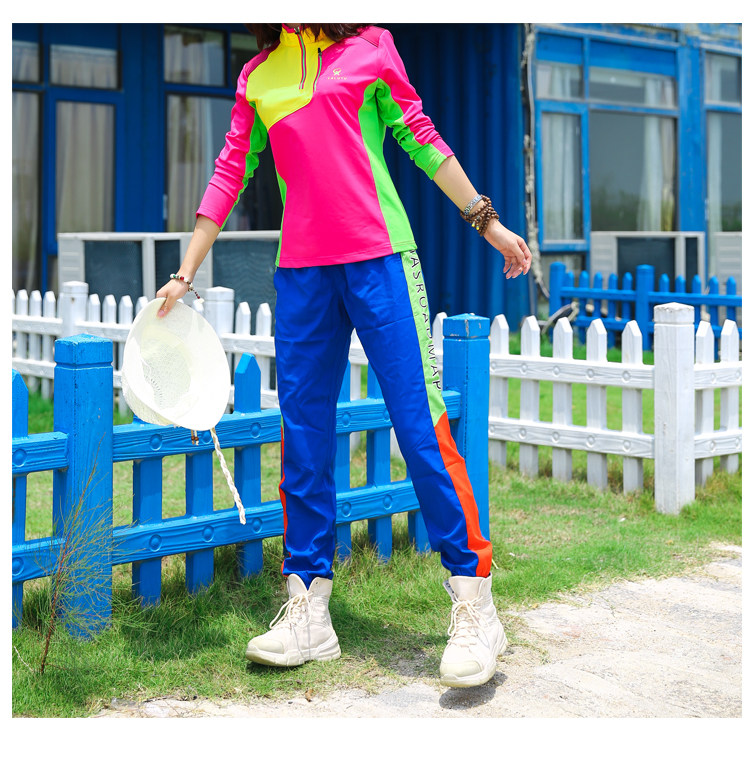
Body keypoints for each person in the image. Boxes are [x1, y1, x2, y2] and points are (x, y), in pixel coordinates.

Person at [156, 23, 532, 689]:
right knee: (303, 435)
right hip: (302, 275)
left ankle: (475, 603)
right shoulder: (259, 77)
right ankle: (309, 607)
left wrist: (487, 220)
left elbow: (422, 139)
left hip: (381, 260)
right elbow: (230, 171)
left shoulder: (371, 48)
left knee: (420, 427)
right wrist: (185, 272)